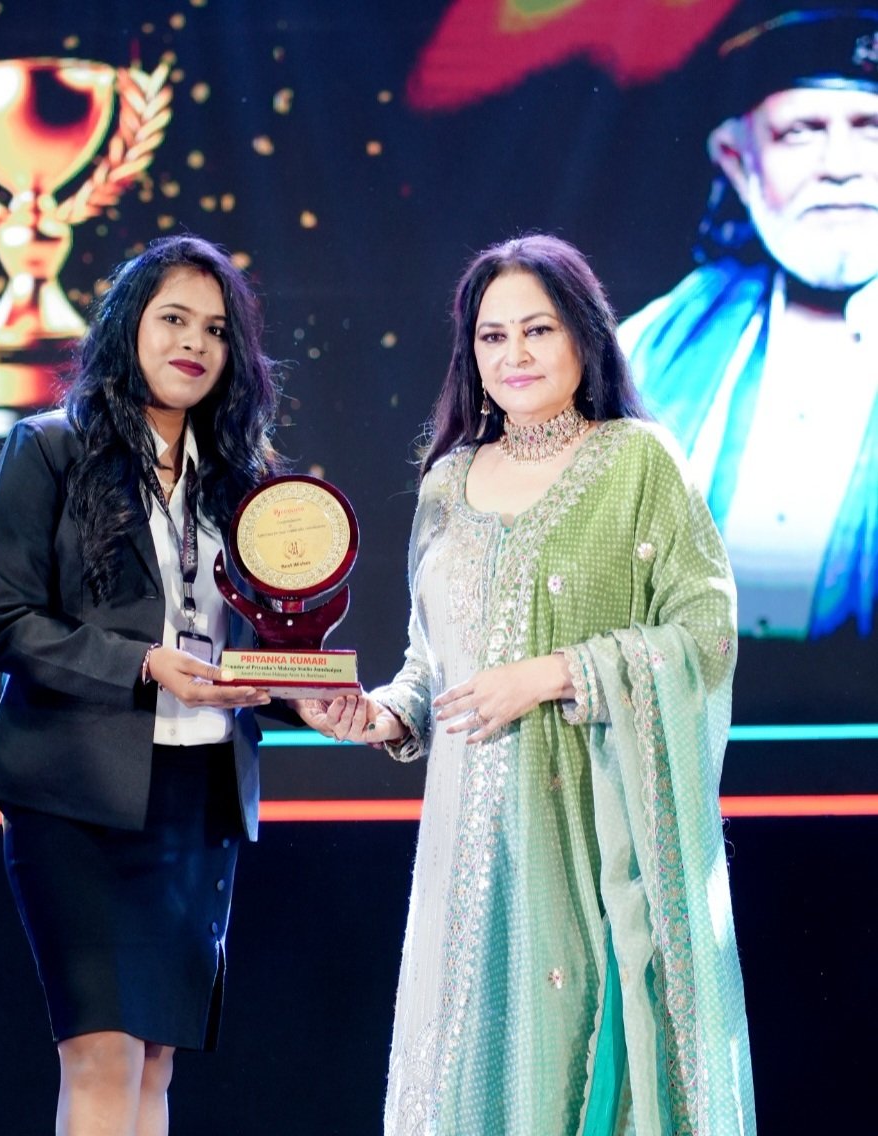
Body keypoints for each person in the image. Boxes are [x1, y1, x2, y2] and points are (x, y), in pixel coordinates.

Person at [299, 234, 756, 1134]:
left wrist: (557, 674)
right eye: (492, 335)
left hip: (592, 833)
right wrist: (378, 715)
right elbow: (433, 668)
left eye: (538, 330)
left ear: (585, 337)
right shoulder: (447, 482)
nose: (514, 354)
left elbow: (704, 636)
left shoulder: (638, 462)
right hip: (469, 847)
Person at [0, 234, 287, 1135]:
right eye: (173, 319)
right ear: (128, 328)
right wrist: (143, 664)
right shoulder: (49, 450)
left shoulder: (245, 479)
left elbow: (261, 641)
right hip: (79, 798)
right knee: (103, 1054)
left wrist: (310, 687)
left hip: (200, 798)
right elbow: (5, 624)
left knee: (154, 1063)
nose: (195, 343)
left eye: (216, 329)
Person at [619, 7, 878, 640]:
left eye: (871, 128)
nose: (840, 165)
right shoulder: (650, 348)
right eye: (800, 133)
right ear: (737, 161)